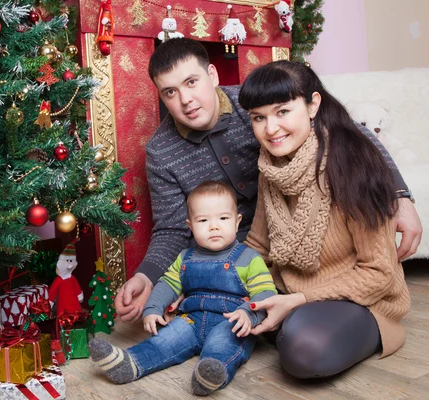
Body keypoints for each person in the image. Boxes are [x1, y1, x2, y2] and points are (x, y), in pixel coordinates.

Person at [114, 37, 422, 323]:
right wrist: (146, 275)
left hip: (307, 233)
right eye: (170, 92)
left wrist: (400, 195)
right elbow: (171, 227)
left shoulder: (255, 106)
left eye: (192, 82)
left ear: (212, 74)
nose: (186, 100)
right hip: (239, 254)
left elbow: (347, 131)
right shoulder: (161, 150)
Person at [237, 60, 410, 378]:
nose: (270, 129)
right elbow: (258, 244)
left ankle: (292, 322)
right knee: (208, 305)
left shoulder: (354, 164)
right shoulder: (272, 166)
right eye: (258, 118)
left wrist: (297, 300)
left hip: (361, 298)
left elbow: (379, 273)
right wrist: (212, 278)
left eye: (283, 112)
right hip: (287, 289)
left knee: (304, 350)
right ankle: (285, 319)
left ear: (312, 104)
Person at [89, 181, 277, 395]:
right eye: (203, 220)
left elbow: (266, 294)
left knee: (222, 347)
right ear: (190, 226)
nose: (214, 226)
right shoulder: (185, 257)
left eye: (223, 218)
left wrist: (248, 313)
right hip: (191, 319)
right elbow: (167, 284)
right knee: (166, 339)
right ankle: (130, 363)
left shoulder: (248, 257)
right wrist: (152, 309)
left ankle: (209, 375)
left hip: (231, 321)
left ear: (237, 222)